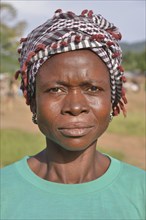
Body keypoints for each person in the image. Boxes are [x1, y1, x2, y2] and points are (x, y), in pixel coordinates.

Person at [1, 9, 145, 220]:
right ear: (33, 102)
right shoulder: (5, 192)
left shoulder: (140, 191)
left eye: (93, 89)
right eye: (56, 90)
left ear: (112, 99)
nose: (75, 107)